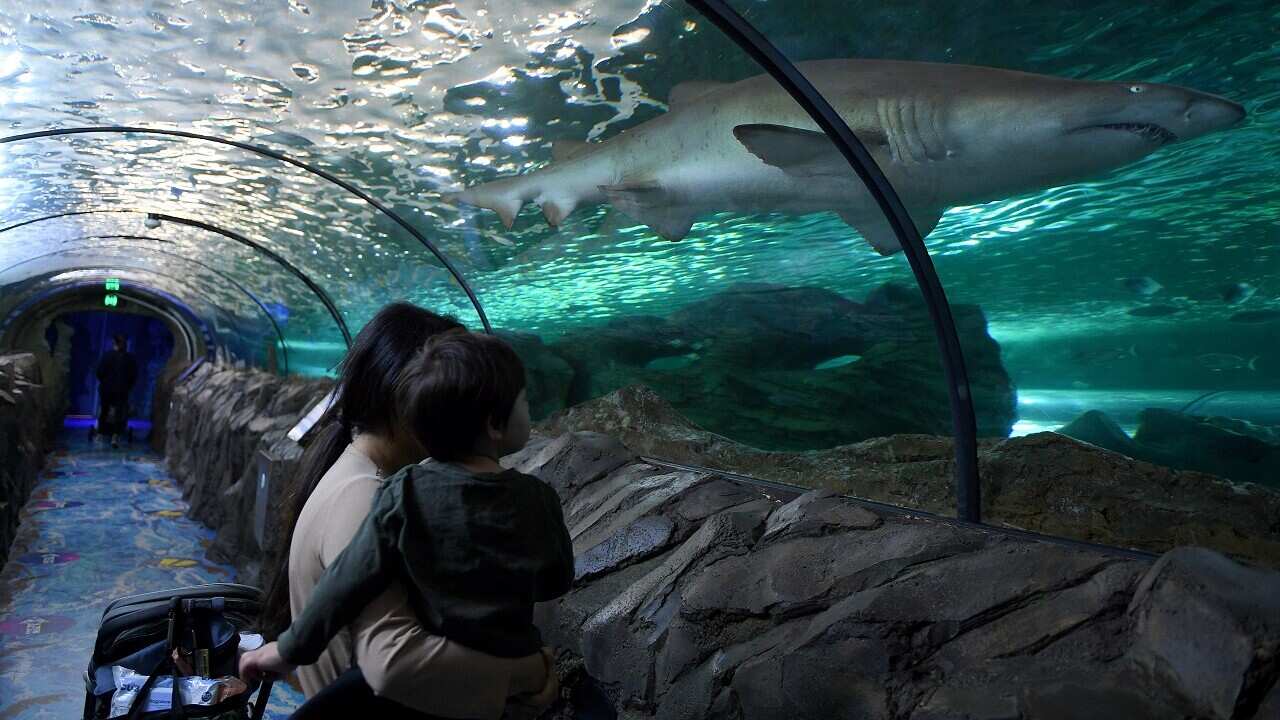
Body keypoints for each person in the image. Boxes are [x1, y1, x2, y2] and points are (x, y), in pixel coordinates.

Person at [242, 331, 574, 719]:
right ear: (494, 425)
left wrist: (287, 650)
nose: (530, 409)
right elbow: (557, 580)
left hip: (431, 695)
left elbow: (347, 581)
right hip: (508, 672)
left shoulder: (403, 493)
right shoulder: (537, 496)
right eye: (525, 400)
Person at [95, 333, 137, 448]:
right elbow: (133, 376)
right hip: (122, 390)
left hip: (106, 388)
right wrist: (127, 386)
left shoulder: (107, 356)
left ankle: (100, 433)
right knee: (120, 412)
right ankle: (115, 435)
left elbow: (99, 372)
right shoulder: (130, 359)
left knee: (104, 410)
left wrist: (105, 382)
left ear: (114, 343)